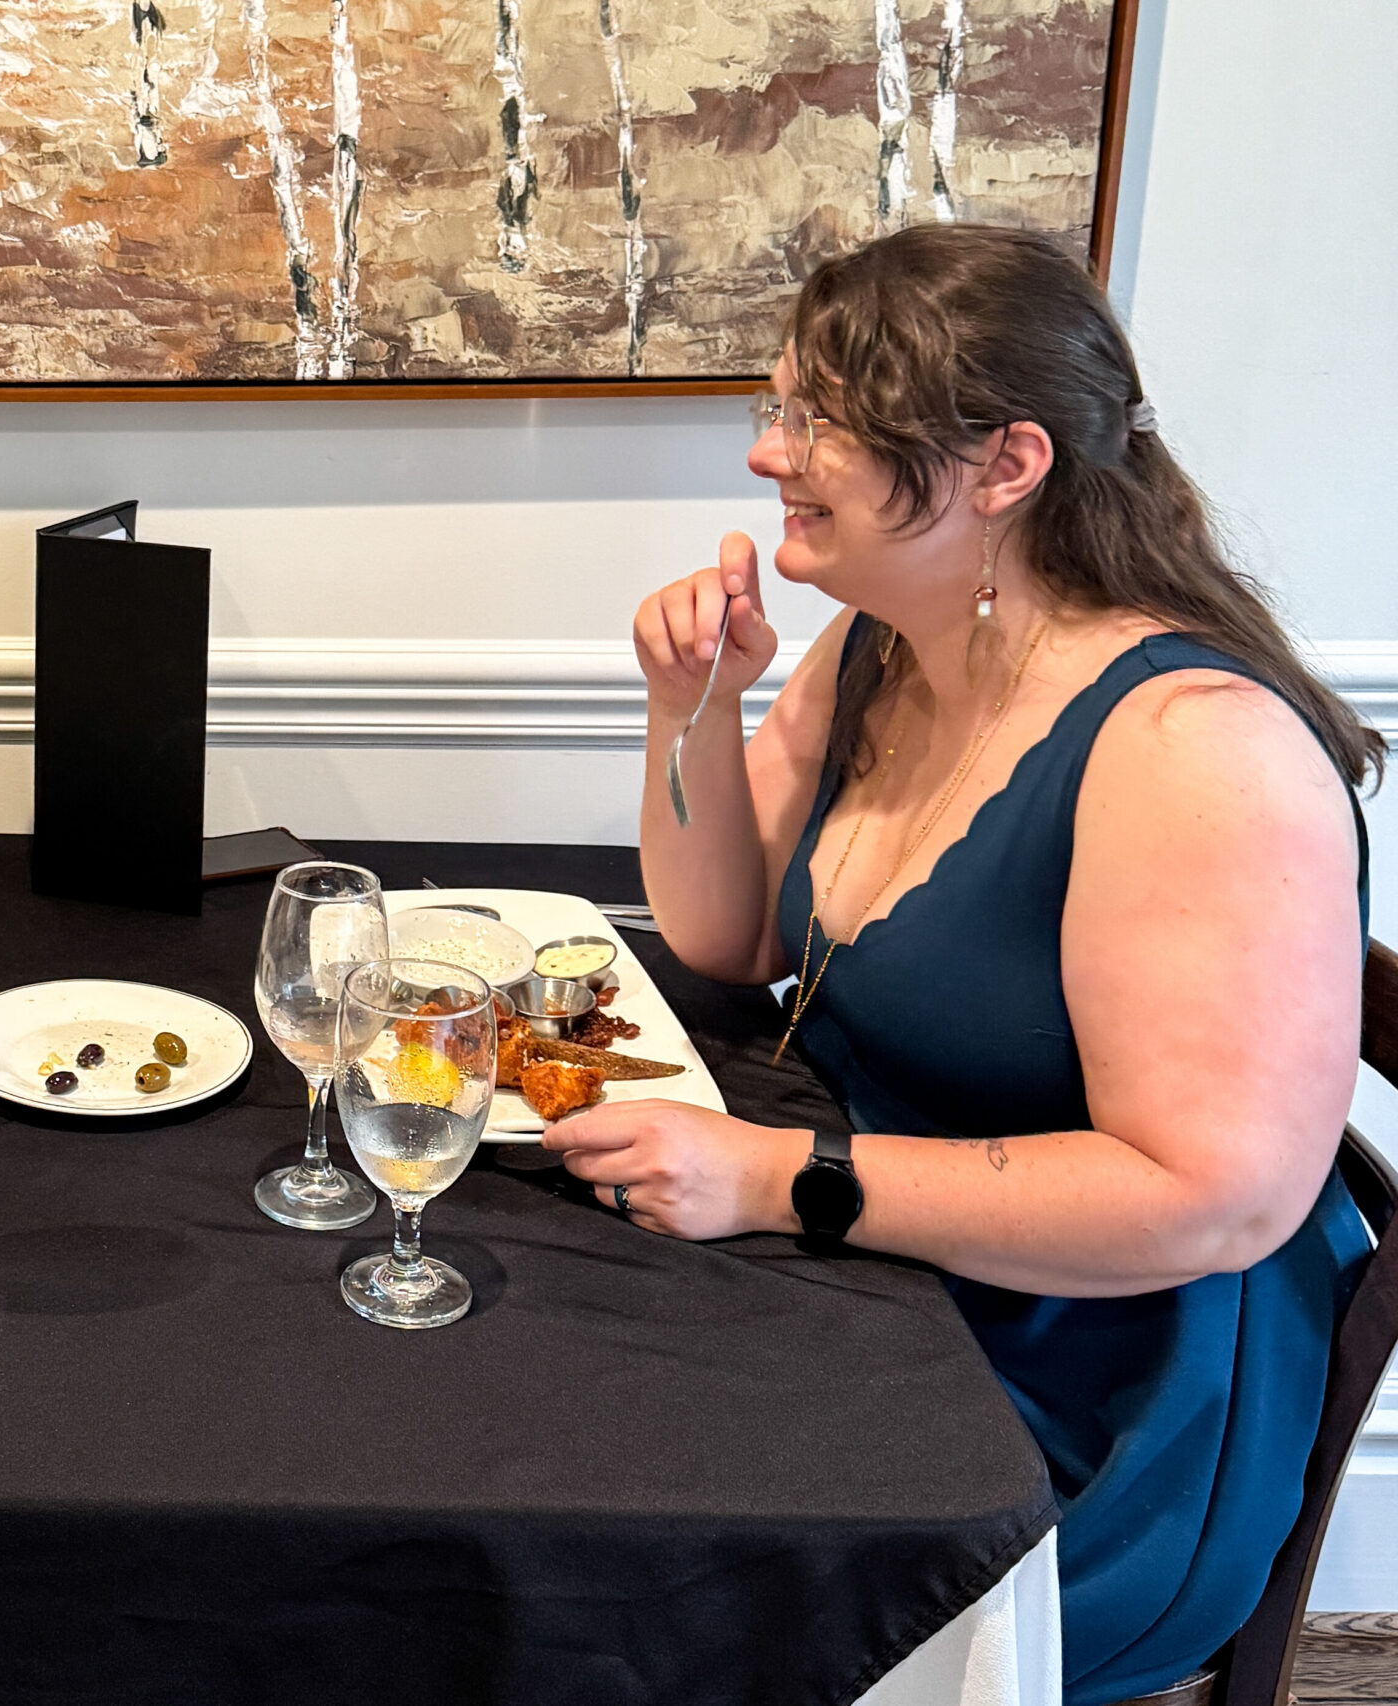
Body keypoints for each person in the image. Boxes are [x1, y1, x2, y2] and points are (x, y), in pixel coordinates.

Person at [548, 222, 1377, 1705]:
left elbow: (1214, 1194)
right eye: (779, 406)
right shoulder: (880, 643)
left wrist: (778, 1177)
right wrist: (691, 707)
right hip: (894, 1284)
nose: (770, 456)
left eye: (825, 421)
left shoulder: (1196, 749)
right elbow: (726, 934)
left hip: (1079, 1414)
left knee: (596, 1536)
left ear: (1004, 466)